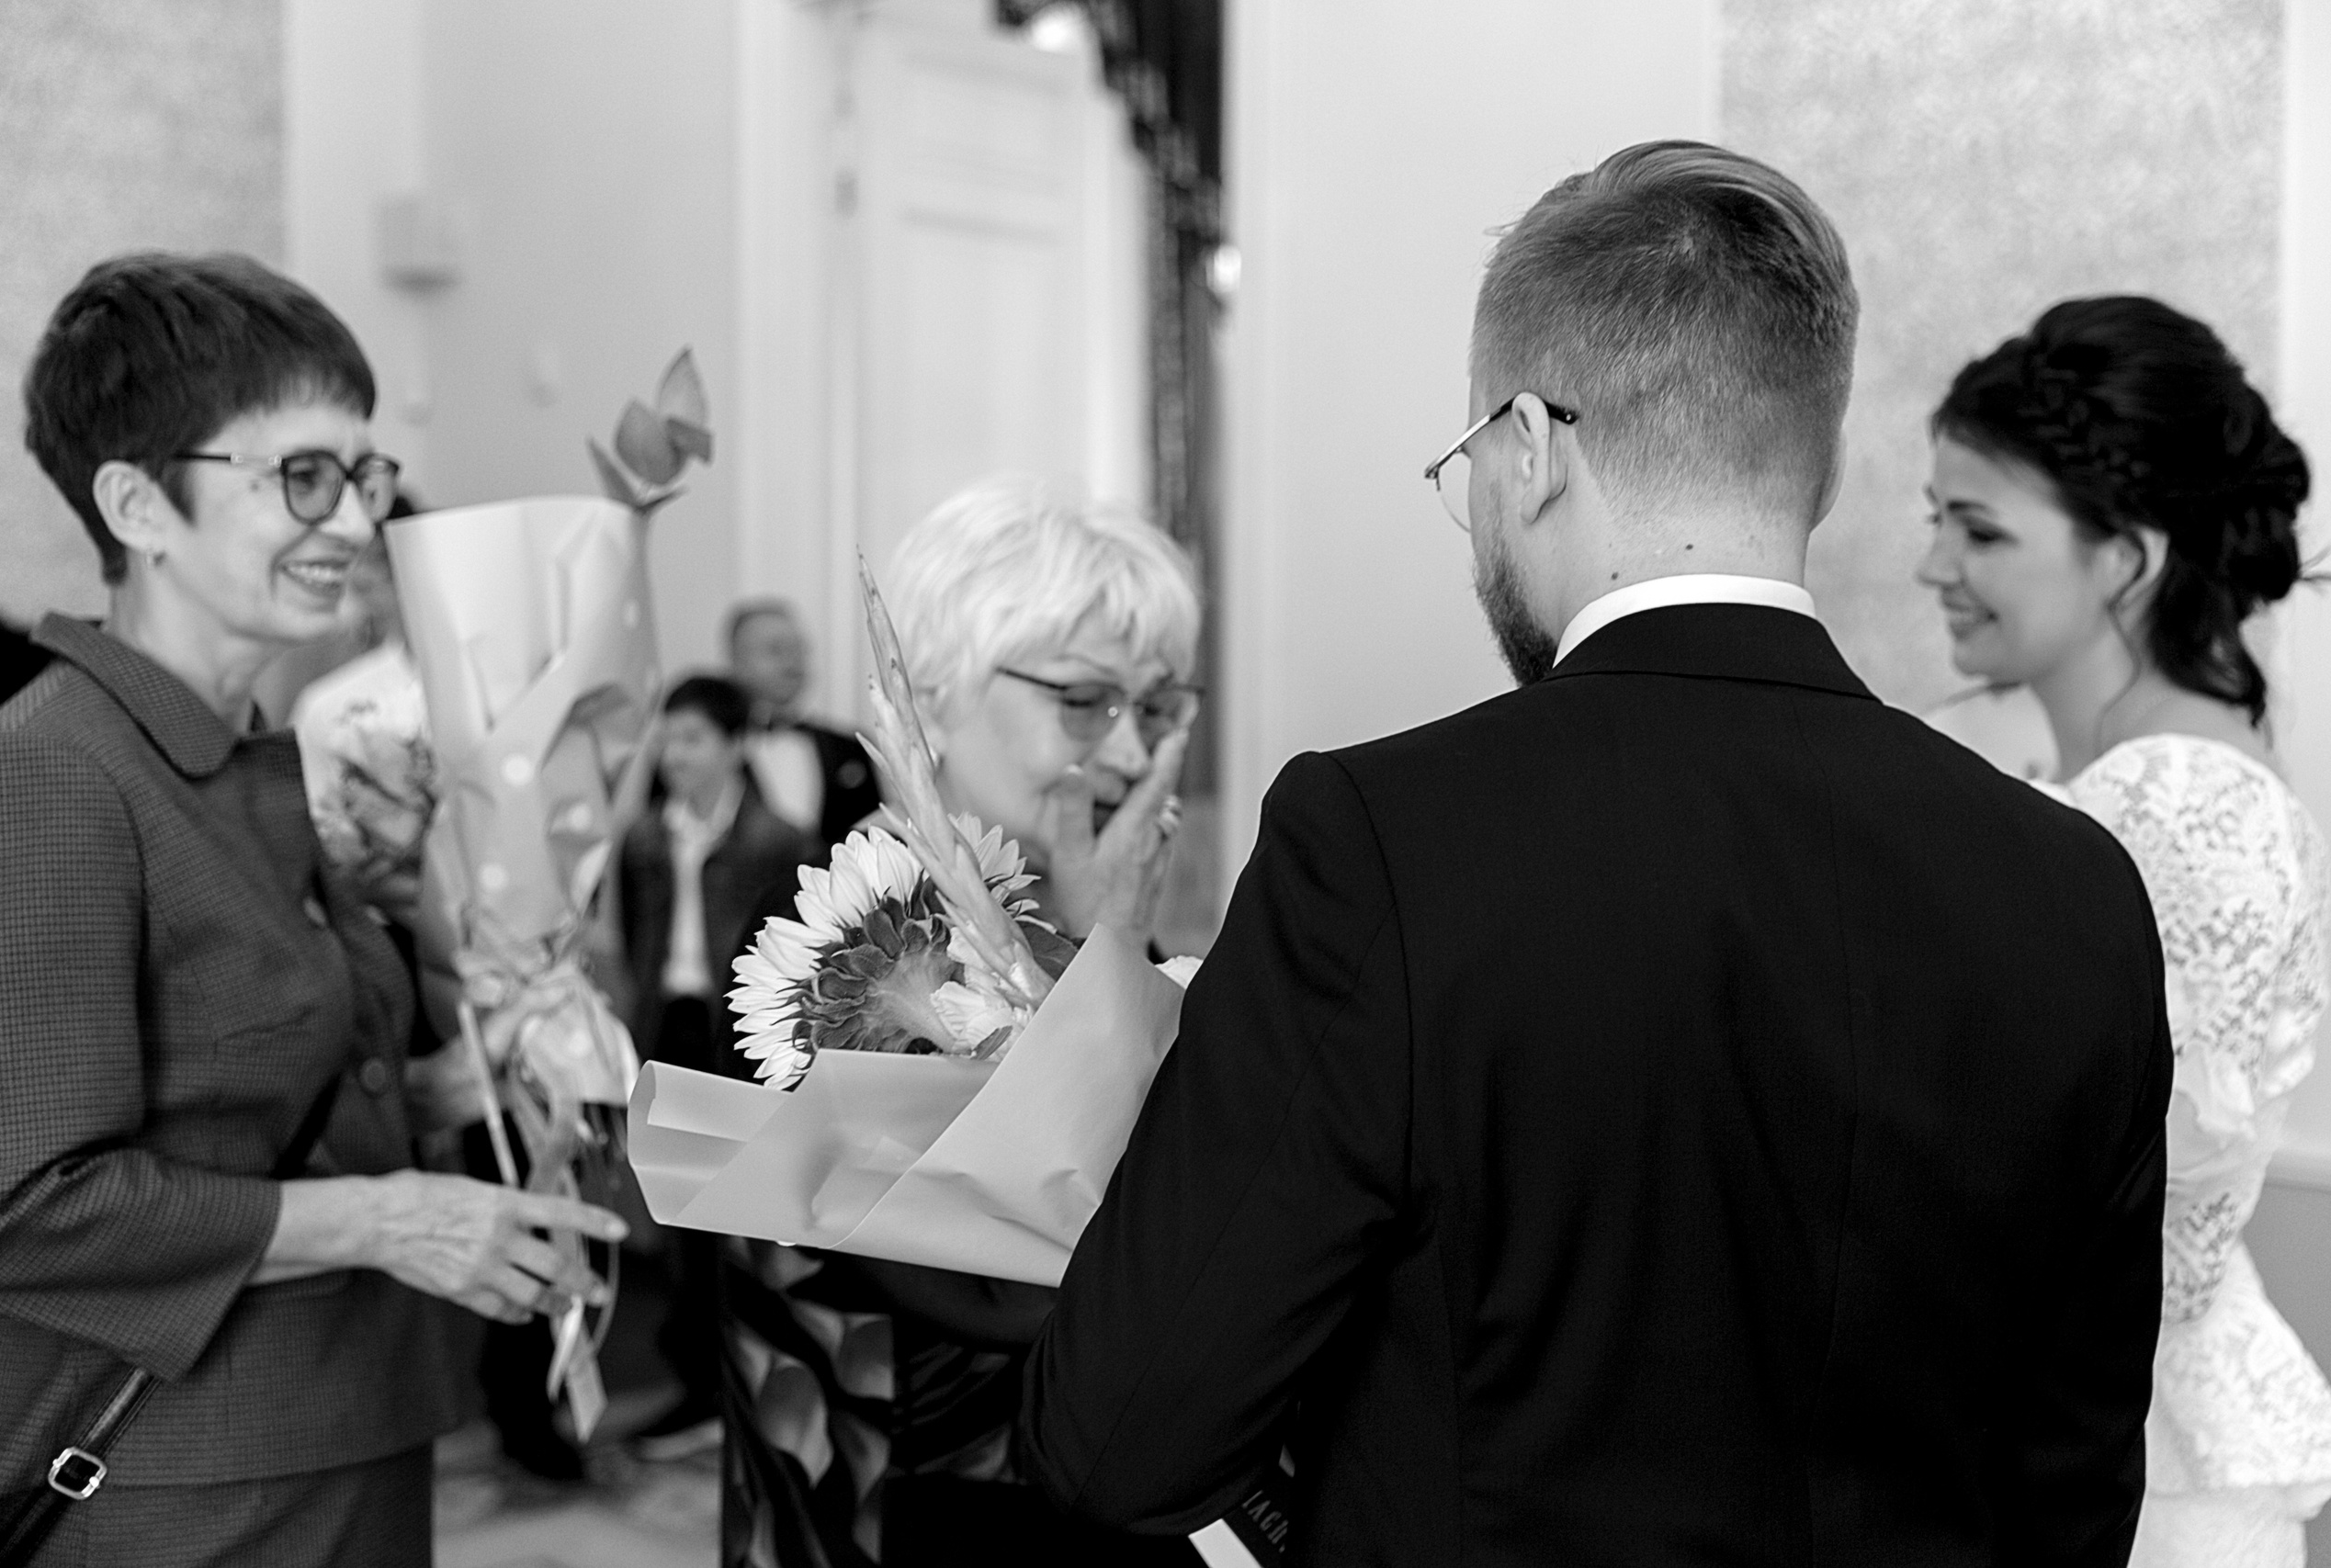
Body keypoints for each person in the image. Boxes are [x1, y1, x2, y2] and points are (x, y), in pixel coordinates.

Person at [1020, 141, 2173, 1564]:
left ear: (1530, 444)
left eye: (1468, 468)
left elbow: (1123, 1438)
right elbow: (2074, 1498)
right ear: (1812, 466)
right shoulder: (2076, 889)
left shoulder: (1380, 844)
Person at [0, 252, 627, 1568]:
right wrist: (393, 1217)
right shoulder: (49, 767)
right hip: (180, 1482)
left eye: (364, 475)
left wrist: (471, 1072)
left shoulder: (252, 759)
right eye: (302, 476)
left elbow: (261, 1107)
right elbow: (18, 1202)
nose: (350, 519)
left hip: (344, 1423)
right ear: (136, 503)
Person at [718, 479, 1201, 1568]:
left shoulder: (1047, 899)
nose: (1129, 755)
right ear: (928, 698)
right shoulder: (850, 930)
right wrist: (1109, 949)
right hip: (902, 1489)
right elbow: (997, 1278)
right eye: (1084, 702)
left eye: (1158, 708)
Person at [1918, 295, 2331, 1567]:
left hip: (2123, 1479)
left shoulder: (2180, 803)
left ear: (2125, 556)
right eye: (1935, 519)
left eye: (1978, 528)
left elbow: (2146, 1200)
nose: (1933, 564)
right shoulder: (2087, 783)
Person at [618, 672, 813, 1461]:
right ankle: (694, 1381)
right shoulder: (642, 838)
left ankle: (735, 1388)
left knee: (736, 1216)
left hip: (737, 1038)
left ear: (736, 745)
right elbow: (636, 938)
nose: (674, 755)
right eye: (667, 738)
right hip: (669, 1026)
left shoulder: (781, 842)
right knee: (677, 1214)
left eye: (693, 737)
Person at [726, 597, 881, 850]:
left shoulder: (851, 748)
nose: (792, 661)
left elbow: (874, 841)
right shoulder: (708, 746)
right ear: (736, 662)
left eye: (799, 649)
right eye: (775, 650)